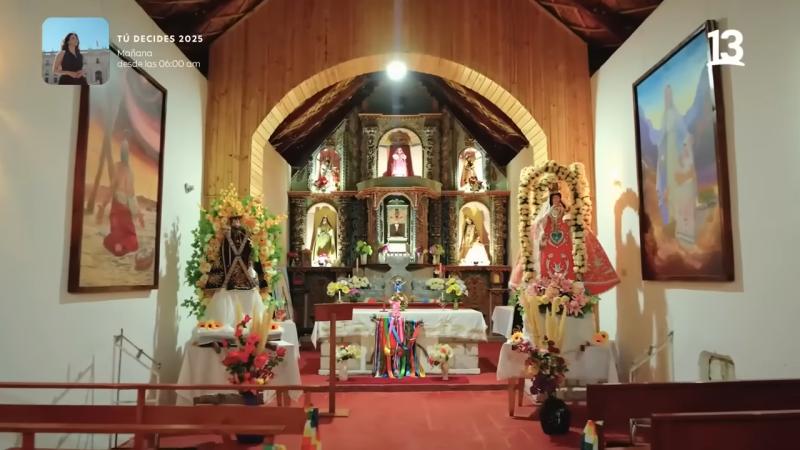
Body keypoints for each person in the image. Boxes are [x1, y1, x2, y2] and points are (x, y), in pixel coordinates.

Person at [509, 185, 619, 295]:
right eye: (553, 201)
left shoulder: (574, 226)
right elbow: (527, 253)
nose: (556, 205)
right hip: (542, 282)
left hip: (571, 281)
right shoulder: (539, 227)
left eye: (558, 200)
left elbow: (587, 247)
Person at [101, 131, 143, 257]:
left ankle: (118, 245)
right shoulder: (129, 172)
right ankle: (120, 246)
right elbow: (131, 195)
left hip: (117, 206)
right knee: (130, 237)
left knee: (117, 233)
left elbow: (112, 188)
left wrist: (103, 205)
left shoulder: (117, 167)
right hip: (124, 208)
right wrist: (137, 213)